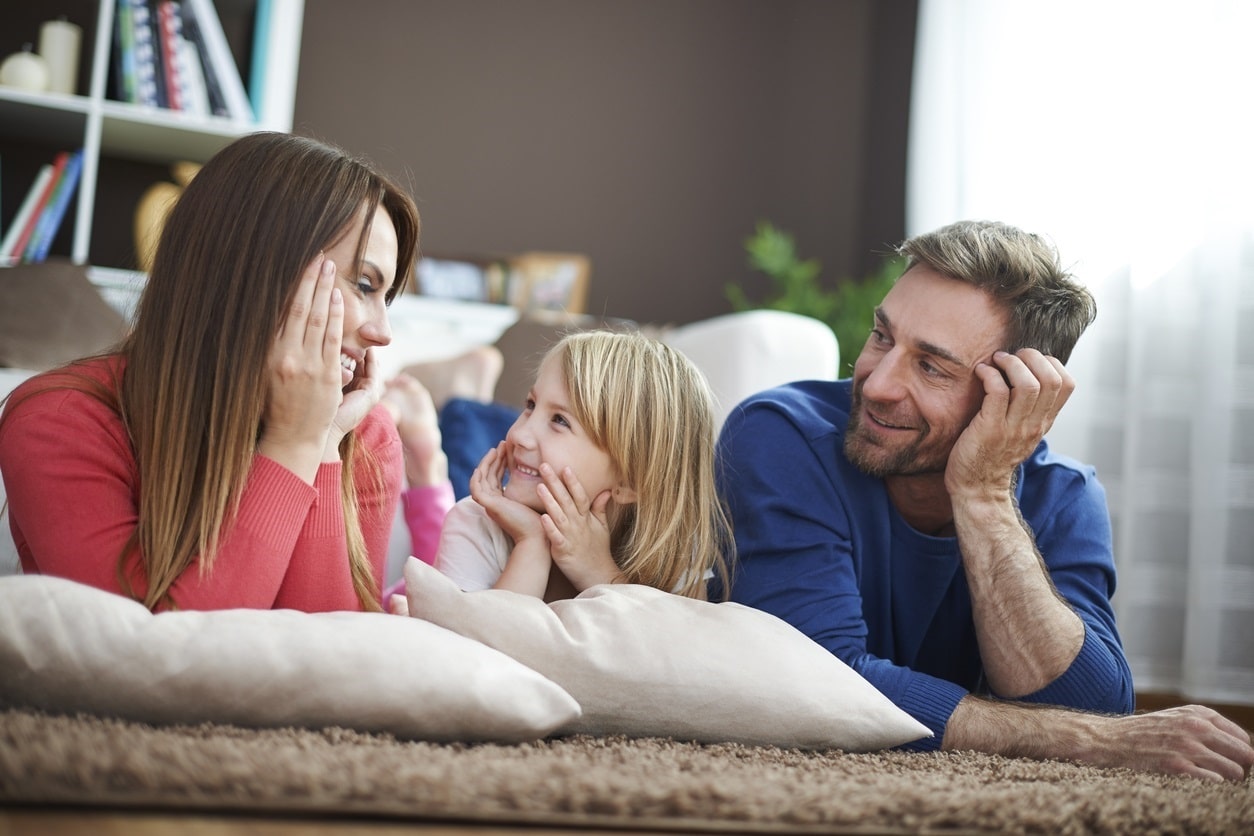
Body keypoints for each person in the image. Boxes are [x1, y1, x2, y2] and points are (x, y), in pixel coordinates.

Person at [715, 219, 1254, 782]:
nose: (875, 384)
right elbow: (812, 679)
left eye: (931, 366)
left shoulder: (1064, 494)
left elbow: (1088, 702)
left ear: (1016, 395)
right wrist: (1084, 741)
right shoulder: (779, 435)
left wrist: (983, 493)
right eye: (882, 336)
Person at [0, 132, 421, 613]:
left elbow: (325, 661)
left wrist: (320, 442)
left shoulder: (365, 436)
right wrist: (294, 443)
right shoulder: (60, 420)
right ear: (255, 271)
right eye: (364, 284)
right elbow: (154, 666)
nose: (382, 332)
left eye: (385, 297)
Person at [434, 329, 732, 601]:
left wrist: (597, 573)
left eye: (560, 420)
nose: (518, 434)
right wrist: (531, 544)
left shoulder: (673, 553)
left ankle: (467, 393)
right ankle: (461, 394)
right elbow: (479, 650)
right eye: (530, 405)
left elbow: (667, 654)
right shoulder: (474, 523)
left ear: (629, 482)